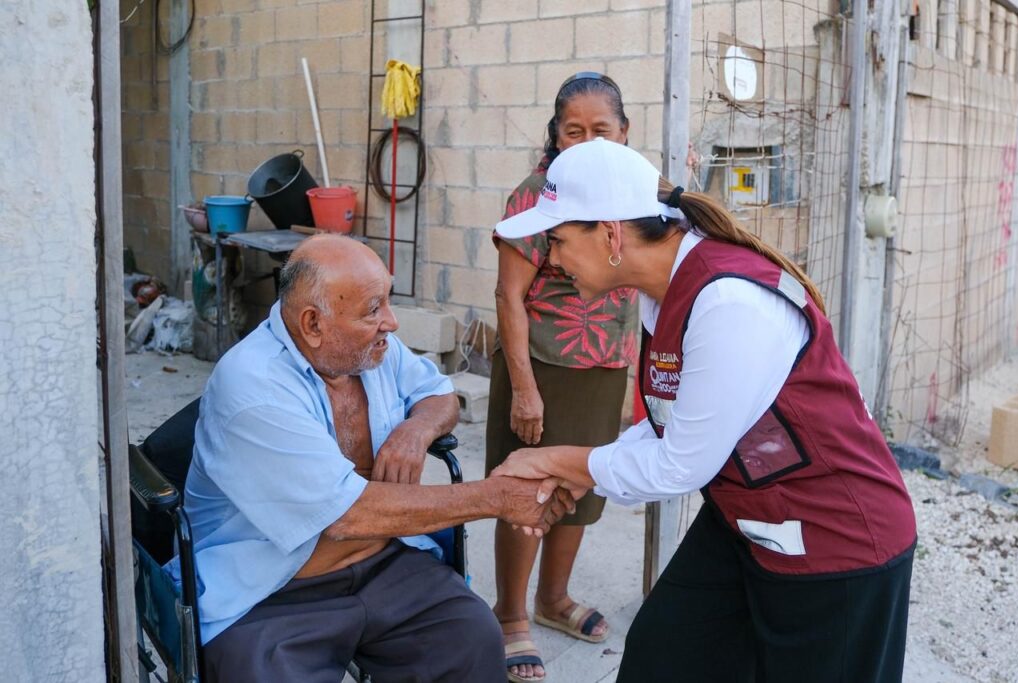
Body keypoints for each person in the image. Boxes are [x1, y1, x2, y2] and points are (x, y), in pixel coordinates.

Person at [491, 138, 918, 682]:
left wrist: (557, 463)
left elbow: (680, 465)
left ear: (610, 234)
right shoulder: (660, 293)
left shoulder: (729, 302)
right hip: (748, 519)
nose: (550, 259)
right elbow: (673, 429)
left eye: (557, 240)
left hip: (838, 543)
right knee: (660, 658)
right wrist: (584, 472)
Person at [175, 235, 576, 683]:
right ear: (313, 324)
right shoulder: (254, 388)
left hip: (386, 562)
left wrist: (415, 431)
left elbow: (440, 394)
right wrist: (498, 498)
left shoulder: (368, 348)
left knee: (472, 638)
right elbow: (345, 516)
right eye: (373, 309)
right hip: (271, 590)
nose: (391, 322)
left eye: (388, 300)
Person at [486, 71, 637, 682]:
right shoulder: (533, 198)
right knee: (529, 493)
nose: (589, 141)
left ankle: (553, 599)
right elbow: (507, 297)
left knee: (581, 491)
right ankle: (508, 616)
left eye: (601, 130)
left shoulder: (634, 194)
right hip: (543, 367)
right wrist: (523, 387)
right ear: (555, 136)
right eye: (574, 131)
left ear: (624, 133)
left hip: (605, 367)